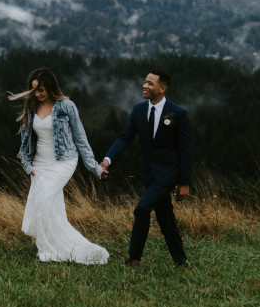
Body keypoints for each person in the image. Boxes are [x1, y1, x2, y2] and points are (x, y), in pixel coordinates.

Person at [12, 68, 109, 264]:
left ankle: (71, 248)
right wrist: (26, 165)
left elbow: (81, 138)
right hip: (40, 164)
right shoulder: (31, 108)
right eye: (34, 90)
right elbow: (24, 143)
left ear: (50, 87)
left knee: (45, 202)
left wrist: (94, 168)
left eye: (41, 89)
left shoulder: (66, 106)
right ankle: (47, 249)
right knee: (47, 207)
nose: (37, 94)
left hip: (64, 161)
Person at [101, 70, 192, 269]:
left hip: (167, 174)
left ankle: (133, 258)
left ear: (162, 88)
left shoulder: (177, 113)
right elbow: (125, 137)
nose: (145, 86)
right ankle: (181, 262)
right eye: (145, 82)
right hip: (149, 174)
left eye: (150, 83)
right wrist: (108, 160)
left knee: (142, 209)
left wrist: (184, 182)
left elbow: (185, 150)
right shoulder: (139, 110)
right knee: (165, 217)